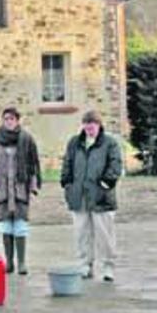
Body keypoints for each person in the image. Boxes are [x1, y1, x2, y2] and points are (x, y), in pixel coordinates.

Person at [60, 110, 123, 282]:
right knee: (82, 234)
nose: (89, 130)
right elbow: (67, 163)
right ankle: (85, 265)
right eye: (87, 127)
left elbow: (115, 164)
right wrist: (66, 182)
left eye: (92, 126)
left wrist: (107, 182)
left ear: (99, 125)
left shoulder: (110, 143)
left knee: (105, 234)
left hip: (101, 196)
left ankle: (108, 266)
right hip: (79, 196)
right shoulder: (74, 143)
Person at [0, 107, 41, 275]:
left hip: (20, 188)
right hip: (2, 188)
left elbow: (33, 163)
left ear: (17, 120)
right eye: (6, 119)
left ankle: (22, 263)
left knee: (20, 225)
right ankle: (9, 262)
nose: (9, 122)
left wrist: (33, 184)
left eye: (12, 119)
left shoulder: (26, 139)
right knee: (5, 225)